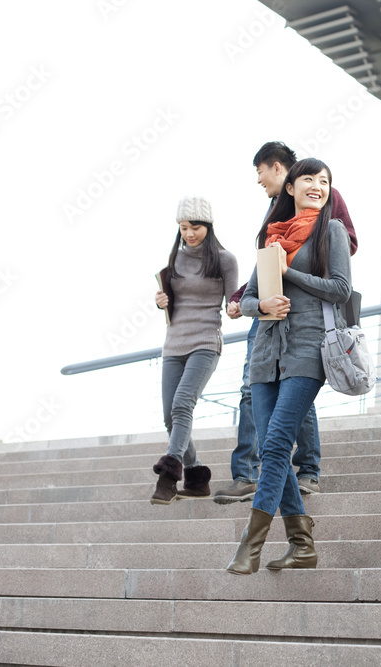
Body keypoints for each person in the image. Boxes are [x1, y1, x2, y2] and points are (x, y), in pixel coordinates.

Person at [213, 141, 358, 503]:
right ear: (292, 186)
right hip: (271, 326)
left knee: (281, 428)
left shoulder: (327, 211)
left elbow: (340, 264)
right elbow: (266, 270)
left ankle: (303, 471)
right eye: (309, 180)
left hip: (309, 325)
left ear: (278, 169)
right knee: (261, 403)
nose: (259, 181)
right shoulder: (275, 224)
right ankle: (295, 532)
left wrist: (294, 272)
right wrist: (251, 301)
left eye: (261, 173)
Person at [150, 196, 238, 504]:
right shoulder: (175, 258)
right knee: (168, 416)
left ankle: (169, 474)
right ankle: (196, 476)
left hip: (205, 342)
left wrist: (237, 307)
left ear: (209, 226)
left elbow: (233, 303)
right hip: (174, 342)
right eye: (184, 228)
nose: (189, 234)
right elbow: (174, 301)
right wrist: (162, 301)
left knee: (182, 404)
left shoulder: (225, 260)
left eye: (196, 227)